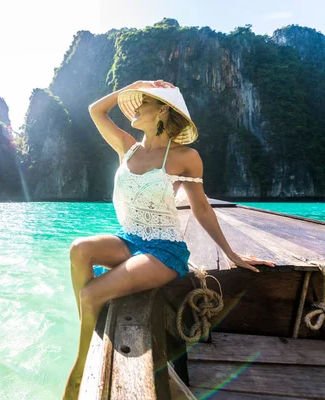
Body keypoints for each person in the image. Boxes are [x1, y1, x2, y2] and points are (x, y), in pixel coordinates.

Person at [62, 79, 276, 399]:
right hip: (129, 238)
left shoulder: (185, 157)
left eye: (142, 102)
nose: (133, 108)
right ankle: (92, 335)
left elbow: (202, 209)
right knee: (79, 249)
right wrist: (133, 86)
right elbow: (95, 110)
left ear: (162, 109)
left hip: (164, 250)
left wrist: (232, 255)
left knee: (92, 294)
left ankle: (79, 368)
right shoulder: (127, 147)